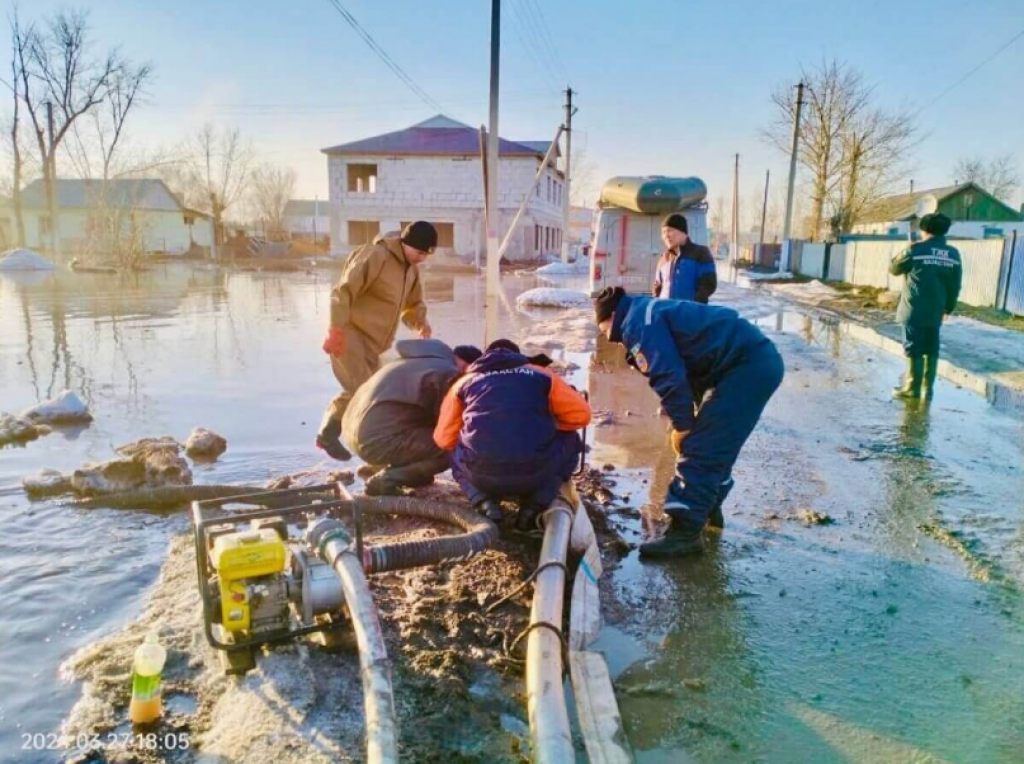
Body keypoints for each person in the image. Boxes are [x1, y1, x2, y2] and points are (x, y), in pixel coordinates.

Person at [593, 286, 784, 559]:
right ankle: (706, 509)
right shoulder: (644, 311)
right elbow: (691, 370)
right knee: (713, 444)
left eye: (604, 330)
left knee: (701, 449)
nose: (608, 337)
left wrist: (683, 427)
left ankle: (685, 535)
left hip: (746, 367)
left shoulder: (637, 323)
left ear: (612, 316)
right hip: (751, 363)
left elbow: (669, 375)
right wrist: (690, 416)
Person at [433, 339, 591, 529]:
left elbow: (443, 439)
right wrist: (548, 425)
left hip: (482, 475)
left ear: (484, 359)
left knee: (453, 448)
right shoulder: (541, 374)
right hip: (537, 472)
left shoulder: (464, 382)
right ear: (520, 358)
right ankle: (535, 505)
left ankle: (483, 501)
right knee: (572, 439)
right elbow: (582, 416)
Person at [317, 221, 437, 461]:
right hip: (349, 334)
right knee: (365, 391)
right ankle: (352, 442)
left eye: (427, 254)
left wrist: (420, 323)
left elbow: (412, 305)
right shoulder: (376, 256)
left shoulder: (411, 271)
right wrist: (335, 329)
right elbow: (343, 292)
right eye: (420, 252)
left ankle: (327, 435)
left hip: (374, 345)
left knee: (368, 390)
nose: (422, 258)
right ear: (406, 243)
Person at [342, 340, 482, 496]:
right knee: (456, 446)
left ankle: (397, 470)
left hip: (352, 434)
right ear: (467, 367)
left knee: (437, 439)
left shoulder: (412, 361)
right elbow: (448, 427)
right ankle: (386, 480)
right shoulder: (449, 374)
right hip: (375, 441)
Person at [889, 213, 962, 401]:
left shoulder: (915, 250)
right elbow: (955, 285)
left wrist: (907, 249)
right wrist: (948, 308)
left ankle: (911, 388)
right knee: (931, 347)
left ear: (924, 229)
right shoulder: (953, 254)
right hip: (936, 309)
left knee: (913, 347)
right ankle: (927, 389)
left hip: (913, 308)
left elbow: (894, 269)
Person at [652, 213, 717, 303]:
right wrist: (658, 305)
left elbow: (709, 283)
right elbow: (657, 286)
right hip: (665, 310)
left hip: (690, 310)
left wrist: (693, 305)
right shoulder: (664, 258)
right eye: (663, 232)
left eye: (670, 230)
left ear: (683, 232)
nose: (666, 236)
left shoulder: (700, 253)